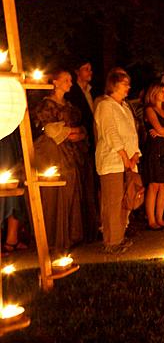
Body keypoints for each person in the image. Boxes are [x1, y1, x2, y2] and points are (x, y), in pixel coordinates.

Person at [31, 69, 88, 252]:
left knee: (72, 187)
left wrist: (79, 133)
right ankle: (55, 237)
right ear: (55, 82)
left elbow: (79, 128)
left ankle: (72, 234)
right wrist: (71, 132)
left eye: (71, 80)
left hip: (71, 150)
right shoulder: (47, 106)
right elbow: (50, 130)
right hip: (53, 151)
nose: (70, 83)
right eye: (66, 80)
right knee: (59, 190)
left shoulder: (69, 105)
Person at [94, 67, 140, 254]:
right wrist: (123, 156)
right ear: (114, 85)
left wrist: (135, 154)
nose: (128, 87)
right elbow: (110, 132)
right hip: (112, 161)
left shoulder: (125, 107)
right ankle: (111, 240)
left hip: (128, 161)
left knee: (125, 201)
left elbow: (131, 132)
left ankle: (120, 236)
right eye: (124, 83)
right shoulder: (105, 106)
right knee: (112, 202)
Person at [64, 59, 99, 242]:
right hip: (79, 144)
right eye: (86, 69)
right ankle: (84, 229)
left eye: (90, 68)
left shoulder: (92, 92)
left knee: (92, 185)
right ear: (78, 71)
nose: (89, 72)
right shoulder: (73, 93)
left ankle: (93, 226)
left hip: (92, 142)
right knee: (83, 186)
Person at [142, 82, 164, 231]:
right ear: (154, 93)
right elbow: (158, 128)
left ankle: (160, 217)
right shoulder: (150, 110)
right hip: (155, 150)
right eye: (161, 91)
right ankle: (151, 219)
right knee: (154, 184)